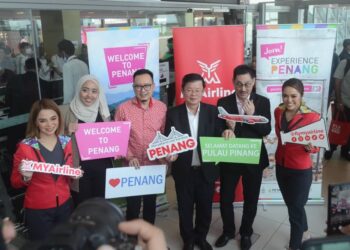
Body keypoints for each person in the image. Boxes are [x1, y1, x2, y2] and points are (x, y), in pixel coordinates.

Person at [165, 73, 233, 250]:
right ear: (182, 91)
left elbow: (221, 134)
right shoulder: (173, 114)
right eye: (189, 90)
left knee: (205, 208)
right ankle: (188, 239)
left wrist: (227, 132)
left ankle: (201, 237)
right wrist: (169, 153)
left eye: (197, 90)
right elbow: (169, 140)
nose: (193, 94)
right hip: (183, 170)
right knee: (185, 208)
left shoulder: (213, 112)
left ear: (204, 91)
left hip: (207, 170)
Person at [215, 65, 271, 250]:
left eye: (247, 84)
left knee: (251, 198)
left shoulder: (262, 102)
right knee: (225, 198)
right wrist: (227, 129)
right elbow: (218, 130)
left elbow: (266, 130)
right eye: (239, 84)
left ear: (253, 82)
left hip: (253, 157)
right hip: (230, 157)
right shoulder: (223, 101)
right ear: (233, 82)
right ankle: (228, 231)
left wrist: (252, 115)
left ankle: (246, 232)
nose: (243, 88)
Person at [10, 99, 76, 240]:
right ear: (35, 122)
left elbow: (67, 170)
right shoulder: (25, 147)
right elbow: (14, 182)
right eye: (43, 120)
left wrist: (72, 174)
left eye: (53, 118)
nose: (49, 125)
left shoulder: (66, 142)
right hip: (38, 210)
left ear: (59, 118)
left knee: (66, 244)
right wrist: (25, 177)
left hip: (65, 205)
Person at [114, 69, 167, 224]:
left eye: (146, 86)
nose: (143, 90)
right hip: (132, 167)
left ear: (153, 86)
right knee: (133, 207)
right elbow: (119, 138)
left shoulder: (162, 108)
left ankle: (147, 239)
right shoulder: (123, 109)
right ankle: (131, 241)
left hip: (153, 165)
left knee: (151, 205)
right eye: (138, 86)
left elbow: (163, 135)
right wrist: (129, 156)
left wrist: (164, 155)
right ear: (133, 87)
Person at [274, 78, 320, 250]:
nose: (289, 100)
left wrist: (311, 147)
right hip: (281, 165)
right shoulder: (278, 112)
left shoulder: (312, 116)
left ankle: (295, 246)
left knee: (294, 211)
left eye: (294, 96)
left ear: (302, 95)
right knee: (294, 205)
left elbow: (318, 144)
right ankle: (305, 231)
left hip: (300, 171)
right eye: (285, 96)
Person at [61, 74, 112, 206]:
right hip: (80, 171)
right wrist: (67, 132)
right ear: (78, 90)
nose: (89, 95)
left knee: (102, 206)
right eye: (85, 90)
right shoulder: (68, 112)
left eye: (94, 91)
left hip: (103, 168)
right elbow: (56, 144)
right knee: (83, 208)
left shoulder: (103, 112)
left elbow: (111, 139)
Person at [324, 54, 350, 161]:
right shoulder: (346, 63)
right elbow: (337, 82)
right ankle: (331, 148)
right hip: (344, 102)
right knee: (338, 127)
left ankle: (345, 150)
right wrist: (339, 100)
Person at [57, 39, 89, 104]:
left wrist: (65, 104)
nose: (59, 55)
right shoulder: (83, 64)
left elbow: (68, 90)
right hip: (86, 101)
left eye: (59, 52)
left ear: (63, 52)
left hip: (75, 104)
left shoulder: (67, 66)